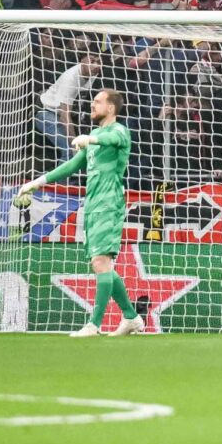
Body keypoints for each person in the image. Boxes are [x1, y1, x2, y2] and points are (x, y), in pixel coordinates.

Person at [15, 85, 142, 336]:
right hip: (93, 204)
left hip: (109, 203)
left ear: (111, 107)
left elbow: (112, 139)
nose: (92, 105)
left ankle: (94, 324)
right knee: (102, 265)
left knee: (100, 261)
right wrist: (36, 182)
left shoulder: (118, 131)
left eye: (98, 101)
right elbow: (71, 166)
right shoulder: (94, 136)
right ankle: (131, 317)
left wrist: (91, 138)